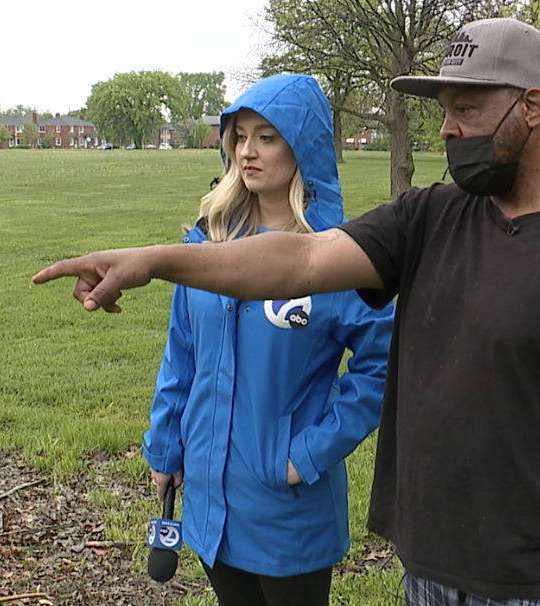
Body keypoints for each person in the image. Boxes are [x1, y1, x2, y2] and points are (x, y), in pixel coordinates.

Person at [33, 18, 540, 606]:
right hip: (431, 566)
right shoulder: (433, 216)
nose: (446, 128)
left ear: (532, 108)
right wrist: (154, 260)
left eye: (465, 107)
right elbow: (301, 263)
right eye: (443, 109)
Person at [141, 73, 392, 606]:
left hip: (286, 509)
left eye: (266, 137)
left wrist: (308, 453)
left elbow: (383, 360)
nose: (246, 151)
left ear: (302, 144)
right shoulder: (206, 239)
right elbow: (181, 351)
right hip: (211, 500)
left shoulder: (336, 255)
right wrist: (165, 445)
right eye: (239, 136)